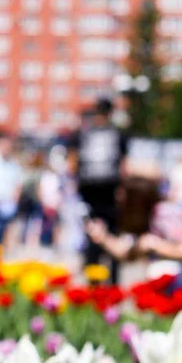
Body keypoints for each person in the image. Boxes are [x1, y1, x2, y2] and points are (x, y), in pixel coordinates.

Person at [70, 98, 129, 275]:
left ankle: (94, 282)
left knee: (92, 237)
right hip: (110, 194)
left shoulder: (83, 134)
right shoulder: (118, 135)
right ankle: (111, 282)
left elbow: (72, 164)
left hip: (90, 194)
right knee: (112, 237)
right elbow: (124, 166)